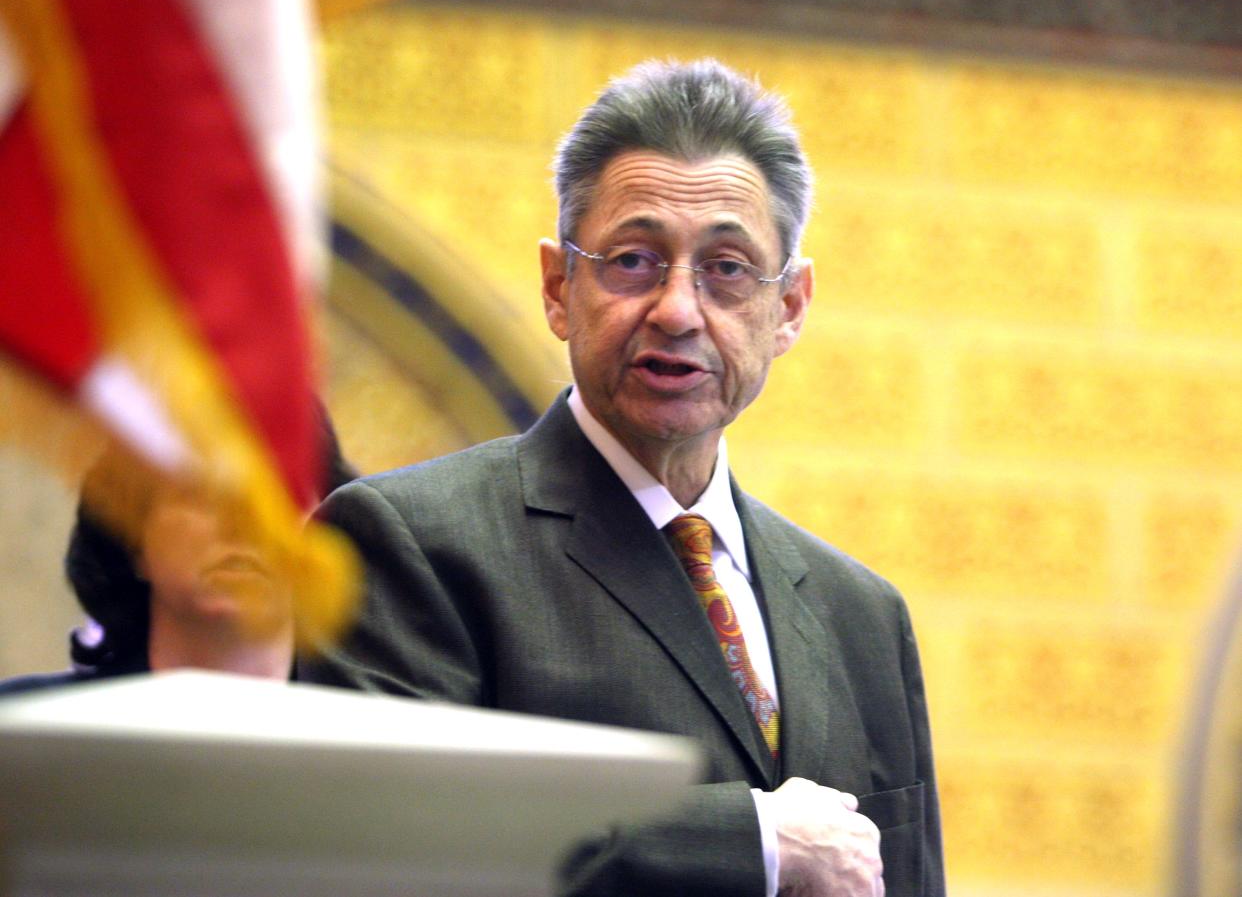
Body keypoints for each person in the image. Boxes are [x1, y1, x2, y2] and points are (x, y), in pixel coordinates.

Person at [300, 59, 943, 897]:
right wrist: (754, 840)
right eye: (635, 260)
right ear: (559, 286)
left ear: (788, 309)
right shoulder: (409, 542)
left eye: (727, 268)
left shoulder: (862, 614)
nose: (678, 309)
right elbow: (384, 839)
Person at [0, 405, 356, 695]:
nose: (243, 524)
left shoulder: (385, 745)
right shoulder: (20, 735)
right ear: (130, 537)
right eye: (202, 491)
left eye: (274, 494)